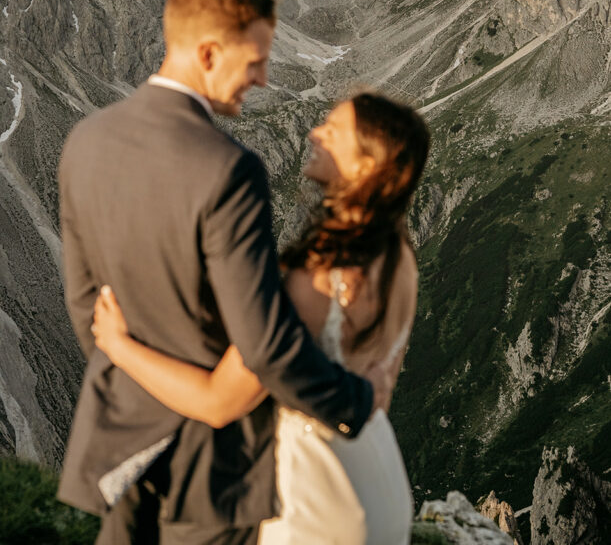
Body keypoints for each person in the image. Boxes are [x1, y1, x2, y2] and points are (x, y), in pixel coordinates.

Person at [57, 0, 388, 545]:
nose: (261, 78)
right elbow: (264, 346)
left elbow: (89, 313)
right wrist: (354, 402)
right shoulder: (228, 169)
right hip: (211, 474)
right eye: (255, 59)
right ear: (208, 53)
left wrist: (139, 370)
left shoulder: (84, 140)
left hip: (124, 451)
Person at [92, 91, 430, 545]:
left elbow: (219, 402)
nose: (315, 132)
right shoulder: (400, 259)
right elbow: (381, 389)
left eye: (333, 129)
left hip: (318, 494)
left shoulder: (314, 281)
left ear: (367, 165)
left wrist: (120, 346)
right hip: (381, 479)